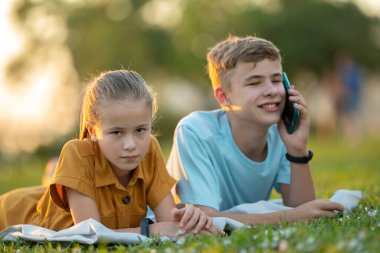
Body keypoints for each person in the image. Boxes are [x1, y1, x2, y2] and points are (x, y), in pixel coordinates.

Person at [0, 70, 223, 237]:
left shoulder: (150, 149)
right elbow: (89, 234)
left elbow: (170, 223)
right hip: (11, 211)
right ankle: (54, 173)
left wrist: (189, 220)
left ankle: (53, 174)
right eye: (116, 132)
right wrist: (152, 230)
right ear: (92, 130)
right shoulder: (76, 151)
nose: (130, 144)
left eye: (140, 130)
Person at [167, 35, 344, 224]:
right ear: (224, 97)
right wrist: (292, 217)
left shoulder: (280, 133)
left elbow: (306, 211)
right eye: (254, 82)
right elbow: (205, 218)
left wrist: (297, 150)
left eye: (276, 80)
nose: (272, 91)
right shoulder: (195, 131)